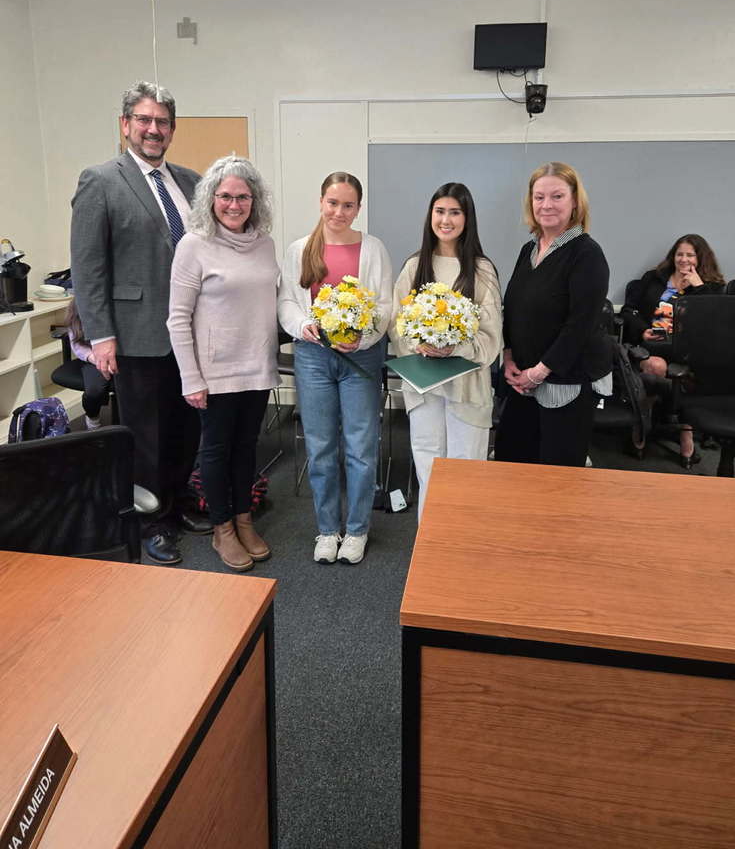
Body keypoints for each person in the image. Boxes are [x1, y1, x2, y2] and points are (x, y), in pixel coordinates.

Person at [70, 81, 205, 566]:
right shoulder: (101, 180)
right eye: (144, 120)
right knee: (144, 432)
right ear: (126, 124)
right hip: (136, 332)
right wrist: (101, 335)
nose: (154, 129)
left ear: (172, 129)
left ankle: (178, 501)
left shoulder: (191, 182)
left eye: (163, 122)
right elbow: (88, 267)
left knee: (186, 427)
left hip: (189, 334)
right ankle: (150, 520)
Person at [167, 156, 279, 572]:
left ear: (255, 200)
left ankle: (244, 520)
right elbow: (177, 317)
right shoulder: (194, 245)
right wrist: (190, 377)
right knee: (215, 451)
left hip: (257, 366)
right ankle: (222, 529)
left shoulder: (264, 242)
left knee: (246, 449)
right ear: (212, 198)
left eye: (243, 197)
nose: (235, 205)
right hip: (214, 374)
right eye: (226, 196)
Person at [278, 172, 392, 565]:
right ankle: (327, 529)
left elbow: (384, 307)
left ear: (358, 208)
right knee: (322, 446)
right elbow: (287, 304)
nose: (339, 212)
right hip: (313, 357)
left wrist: (363, 338)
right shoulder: (299, 249)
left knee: (361, 447)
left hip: (359, 356)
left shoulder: (373, 248)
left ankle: (357, 529)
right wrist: (301, 325)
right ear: (320, 202)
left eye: (348, 205)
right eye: (332, 203)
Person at [389, 182, 502, 521]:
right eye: (440, 211)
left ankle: (461, 552)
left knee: (464, 471)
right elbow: (397, 326)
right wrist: (419, 342)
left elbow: (492, 338)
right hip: (424, 389)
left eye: (455, 212)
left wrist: (456, 346)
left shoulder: (481, 270)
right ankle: (430, 549)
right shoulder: (413, 267)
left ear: (467, 219)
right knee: (429, 466)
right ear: (430, 216)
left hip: (467, 391)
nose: (446, 219)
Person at [494, 161, 611, 467]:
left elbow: (580, 325)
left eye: (557, 196)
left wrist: (540, 372)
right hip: (522, 380)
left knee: (557, 478)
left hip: (565, 383)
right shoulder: (528, 251)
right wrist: (508, 357)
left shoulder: (586, 254)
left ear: (575, 202)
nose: (546, 205)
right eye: (539, 197)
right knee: (512, 461)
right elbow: (515, 309)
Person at [620, 233, 725, 466]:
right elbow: (628, 310)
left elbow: (714, 322)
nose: (684, 259)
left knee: (670, 371)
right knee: (655, 365)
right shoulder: (654, 278)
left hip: (689, 351)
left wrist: (698, 288)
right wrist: (642, 331)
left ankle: (679, 429)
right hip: (651, 344)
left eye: (690, 254)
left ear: (701, 258)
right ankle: (648, 422)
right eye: (680, 254)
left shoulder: (713, 288)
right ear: (673, 256)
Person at [66, 299, 110, 430]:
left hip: (123, 355)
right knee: (94, 391)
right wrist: (96, 359)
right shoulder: (78, 305)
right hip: (93, 357)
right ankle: (93, 420)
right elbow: (77, 345)